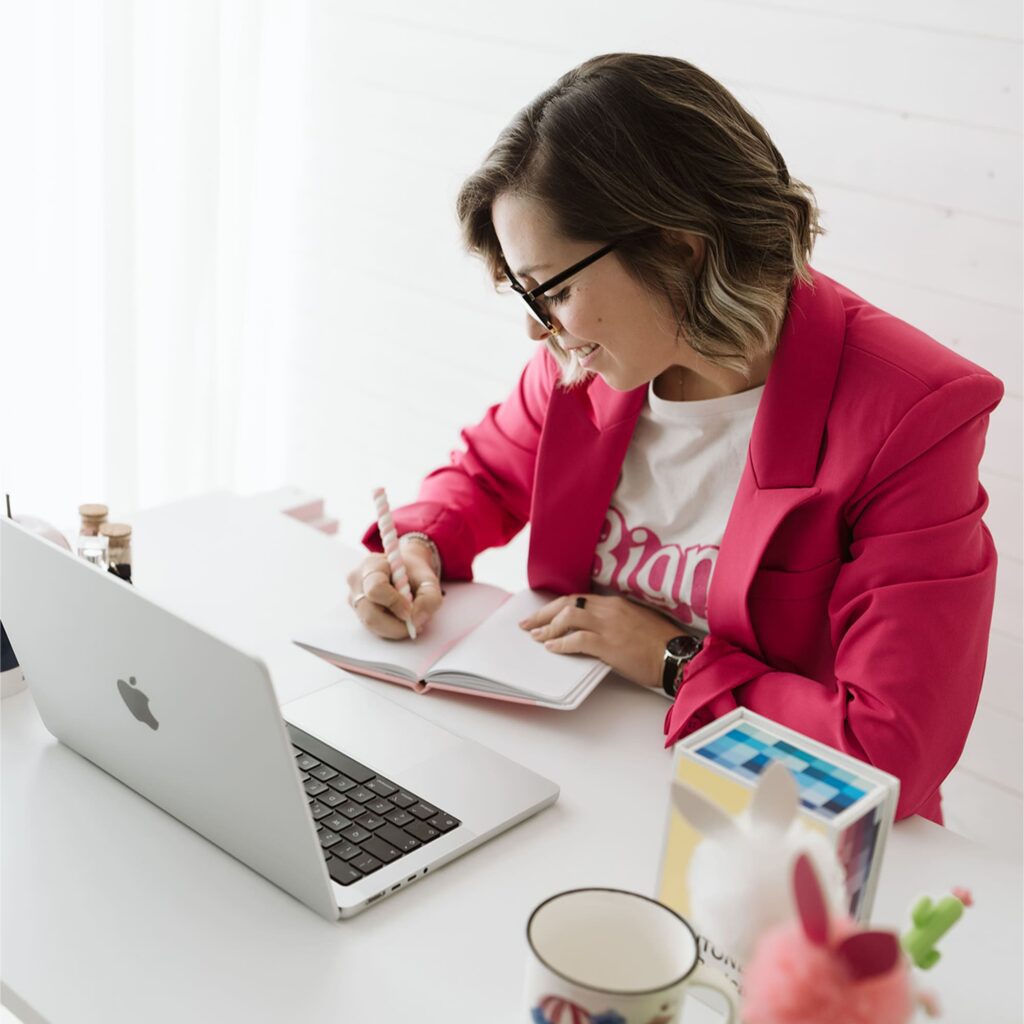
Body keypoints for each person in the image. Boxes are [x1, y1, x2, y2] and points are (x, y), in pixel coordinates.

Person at [346, 53, 1003, 824]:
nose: (536, 327)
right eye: (526, 292)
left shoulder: (913, 416)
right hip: (579, 779)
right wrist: (417, 547)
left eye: (554, 289)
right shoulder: (588, 358)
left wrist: (672, 661)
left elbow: (886, 753)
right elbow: (485, 478)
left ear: (678, 248)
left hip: (779, 829)